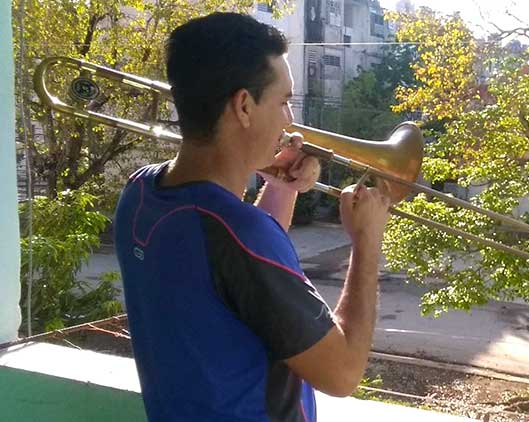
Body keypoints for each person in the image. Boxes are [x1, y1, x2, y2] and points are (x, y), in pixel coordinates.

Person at [114, 12, 390, 422]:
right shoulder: (237, 234)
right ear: (243, 105)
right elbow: (344, 374)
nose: (290, 123)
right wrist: (367, 243)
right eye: (283, 102)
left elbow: (246, 281)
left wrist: (281, 186)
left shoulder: (139, 193)